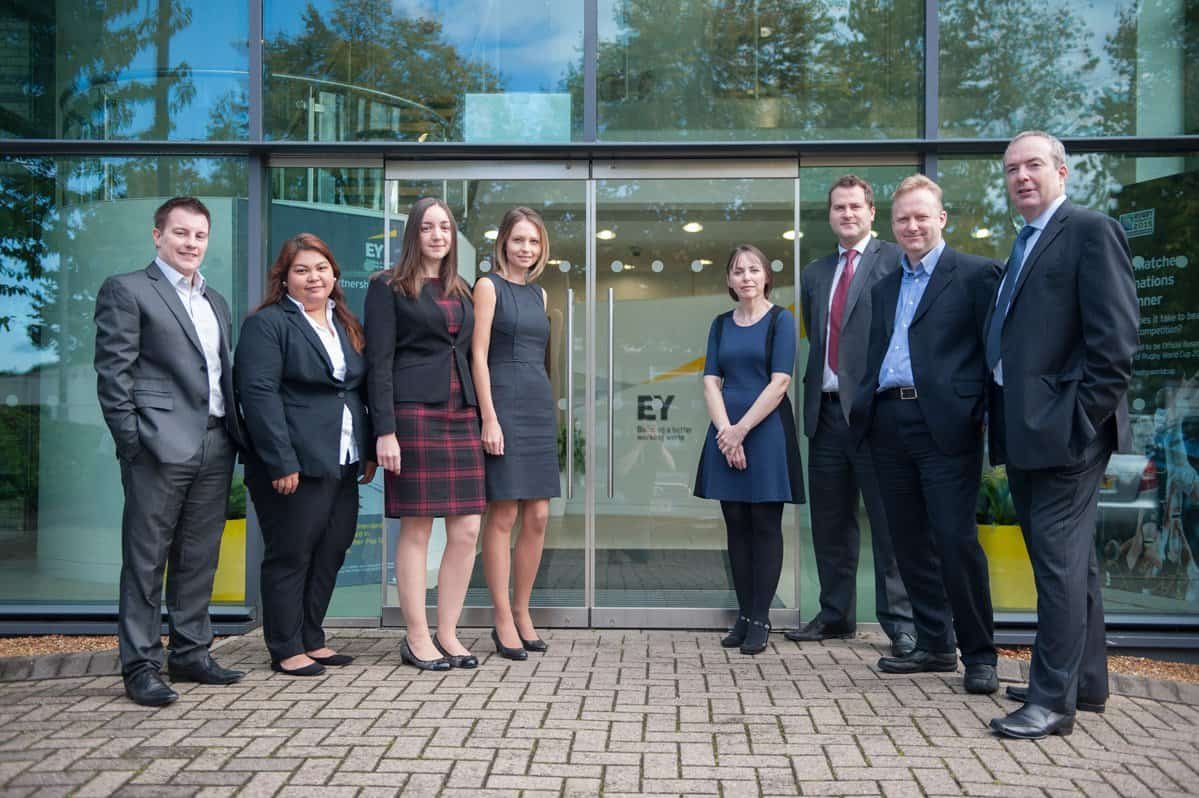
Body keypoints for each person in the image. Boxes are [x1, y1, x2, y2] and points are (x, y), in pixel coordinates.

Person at [987, 131, 1138, 739]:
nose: (1021, 177)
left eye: (1033, 165)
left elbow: (1116, 345)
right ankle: (1087, 682)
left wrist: (1079, 423)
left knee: (1056, 567)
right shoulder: (1026, 241)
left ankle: (1052, 702)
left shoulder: (1089, 231)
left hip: (1064, 435)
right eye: (1012, 169)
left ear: (1062, 172)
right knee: (1075, 565)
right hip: (1027, 429)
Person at [850, 175, 1001, 696]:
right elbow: (878, 352)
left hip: (946, 426)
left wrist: (979, 414)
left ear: (941, 218)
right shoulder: (885, 286)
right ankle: (935, 645)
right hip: (888, 422)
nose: (911, 226)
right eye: (903, 219)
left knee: (955, 541)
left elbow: (992, 354)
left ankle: (980, 654)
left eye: (921, 216)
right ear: (892, 225)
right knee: (907, 542)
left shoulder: (976, 274)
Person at [94, 196, 247, 706]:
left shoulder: (215, 300)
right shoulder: (128, 290)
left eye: (200, 235)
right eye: (181, 233)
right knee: (145, 561)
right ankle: (140, 666)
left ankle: (190, 653)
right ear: (157, 235)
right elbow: (113, 374)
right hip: (156, 447)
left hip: (216, 441)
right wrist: (133, 443)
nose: (191, 243)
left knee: (198, 557)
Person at [785, 175, 916, 657]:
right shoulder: (815, 272)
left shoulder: (894, 260)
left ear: (872, 212)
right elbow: (817, 334)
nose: (847, 214)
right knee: (830, 522)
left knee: (889, 522)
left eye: (855, 206)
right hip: (825, 413)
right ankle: (835, 613)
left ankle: (900, 623)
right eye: (839, 207)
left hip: (875, 413)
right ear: (830, 215)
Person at [235, 234, 376, 676]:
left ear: (334, 274)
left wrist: (368, 449)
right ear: (285, 278)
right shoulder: (267, 324)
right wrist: (281, 461)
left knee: (333, 547)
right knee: (291, 552)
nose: (313, 277)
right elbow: (258, 395)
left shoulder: (345, 322)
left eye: (321, 268)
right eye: (302, 270)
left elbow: (357, 390)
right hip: (293, 461)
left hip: (342, 458)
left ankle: (312, 636)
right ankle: (285, 645)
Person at [364, 197, 484, 672]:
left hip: (462, 413)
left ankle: (448, 632)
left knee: (467, 528)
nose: (438, 235)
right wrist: (385, 431)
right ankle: (416, 636)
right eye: (428, 227)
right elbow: (379, 363)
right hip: (413, 414)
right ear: (413, 234)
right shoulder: (388, 286)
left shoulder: (463, 288)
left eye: (445, 228)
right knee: (416, 527)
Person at [695, 244, 805, 655]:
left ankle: (761, 618)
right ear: (729, 279)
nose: (746, 277)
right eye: (738, 271)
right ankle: (743, 615)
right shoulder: (720, 324)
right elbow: (711, 380)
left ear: (766, 277)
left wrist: (741, 430)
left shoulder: (781, 320)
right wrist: (726, 431)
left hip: (766, 430)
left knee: (764, 525)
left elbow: (780, 382)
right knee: (736, 525)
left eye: (754, 269)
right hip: (726, 429)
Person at [472, 207, 560, 661]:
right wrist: (489, 417)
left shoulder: (540, 294)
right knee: (503, 512)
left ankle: (523, 610)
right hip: (503, 401)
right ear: (503, 242)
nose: (526, 248)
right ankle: (502, 616)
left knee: (539, 514)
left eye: (534, 241)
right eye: (519, 240)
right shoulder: (488, 287)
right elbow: (478, 355)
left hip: (537, 403)